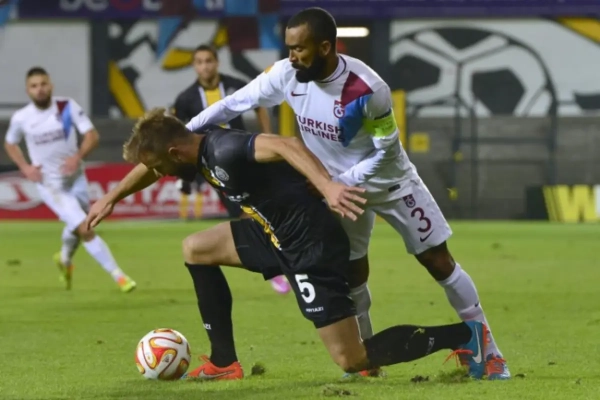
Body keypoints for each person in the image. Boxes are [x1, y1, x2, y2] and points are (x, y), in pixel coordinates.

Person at [183, 7, 509, 380]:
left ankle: (490, 352)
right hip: (338, 191)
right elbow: (233, 103)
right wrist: (182, 133)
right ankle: (369, 363)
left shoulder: (367, 89)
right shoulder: (287, 74)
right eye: (289, 48)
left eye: (299, 48)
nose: (291, 56)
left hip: (390, 184)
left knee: (438, 261)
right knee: (351, 272)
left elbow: (386, 150)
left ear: (325, 47)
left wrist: (339, 180)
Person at [85, 108, 488, 381]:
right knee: (196, 248)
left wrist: (326, 186)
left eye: (161, 167)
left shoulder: (224, 148)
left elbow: (286, 145)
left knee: (352, 359)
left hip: (308, 245)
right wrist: (111, 198)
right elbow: (150, 167)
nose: (161, 175)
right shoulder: (195, 151)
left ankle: (465, 336)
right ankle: (224, 362)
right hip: (271, 233)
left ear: (175, 152)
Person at [3, 67, 136, 292]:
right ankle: (119, 276)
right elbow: (10, 143)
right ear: (28, 91)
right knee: (86, 226)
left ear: (51, 85)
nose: (40, 89)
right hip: (50, 185)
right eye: (34, 86)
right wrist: (25, 167)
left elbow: (92, 136)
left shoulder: (66, 106)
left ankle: (64, 258)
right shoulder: (22, 117)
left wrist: (77, 157)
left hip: (76, 178)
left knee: (78, 225)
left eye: (43, 84)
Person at [172, 44, 290, 295]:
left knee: (261, 208)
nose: (205, 66)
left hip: (245, 155)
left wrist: (267, 134)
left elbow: (259, 105)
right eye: (200, 62)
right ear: (194, 66)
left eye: (209, 61)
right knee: (249, 213)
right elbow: (180, 132)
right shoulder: (185, 98)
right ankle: (277, 264)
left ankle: (279, 262)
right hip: (215, 167)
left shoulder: (236, 85)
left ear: (217, 62)